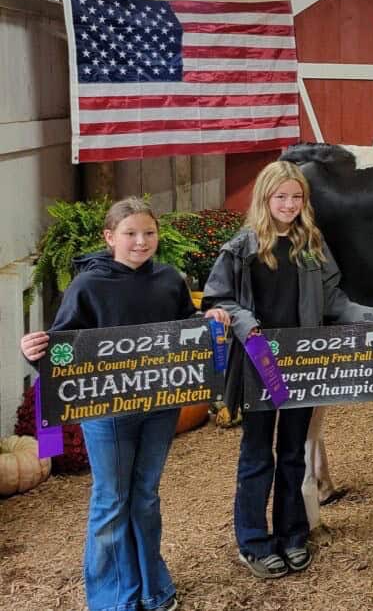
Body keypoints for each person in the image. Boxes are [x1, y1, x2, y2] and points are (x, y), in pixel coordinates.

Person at [20, 197, 229, 611]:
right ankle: (112, 599)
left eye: (148, 233)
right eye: (130, 233)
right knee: (111, 500)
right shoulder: (87, 286)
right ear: (109, 236)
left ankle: (154, 588)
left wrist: (212, 322)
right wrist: (33, 350)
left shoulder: (170, 279)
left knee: (146, 495)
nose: (140, 241)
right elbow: (61, 348)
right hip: (108, 413)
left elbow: (186, 328)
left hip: (161, 404)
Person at [203, 160, 373, 579]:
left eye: (297, 197)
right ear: (265, 198)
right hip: (259, 367)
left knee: (293, 453)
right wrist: (244, 323)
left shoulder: (311, 245)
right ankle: (254, 543)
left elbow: (335, 302)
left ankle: (293, 534)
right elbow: (218, 300)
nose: (290, 204)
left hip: (302, 367)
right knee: (257, 455)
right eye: (281, 197)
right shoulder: (241, 248)